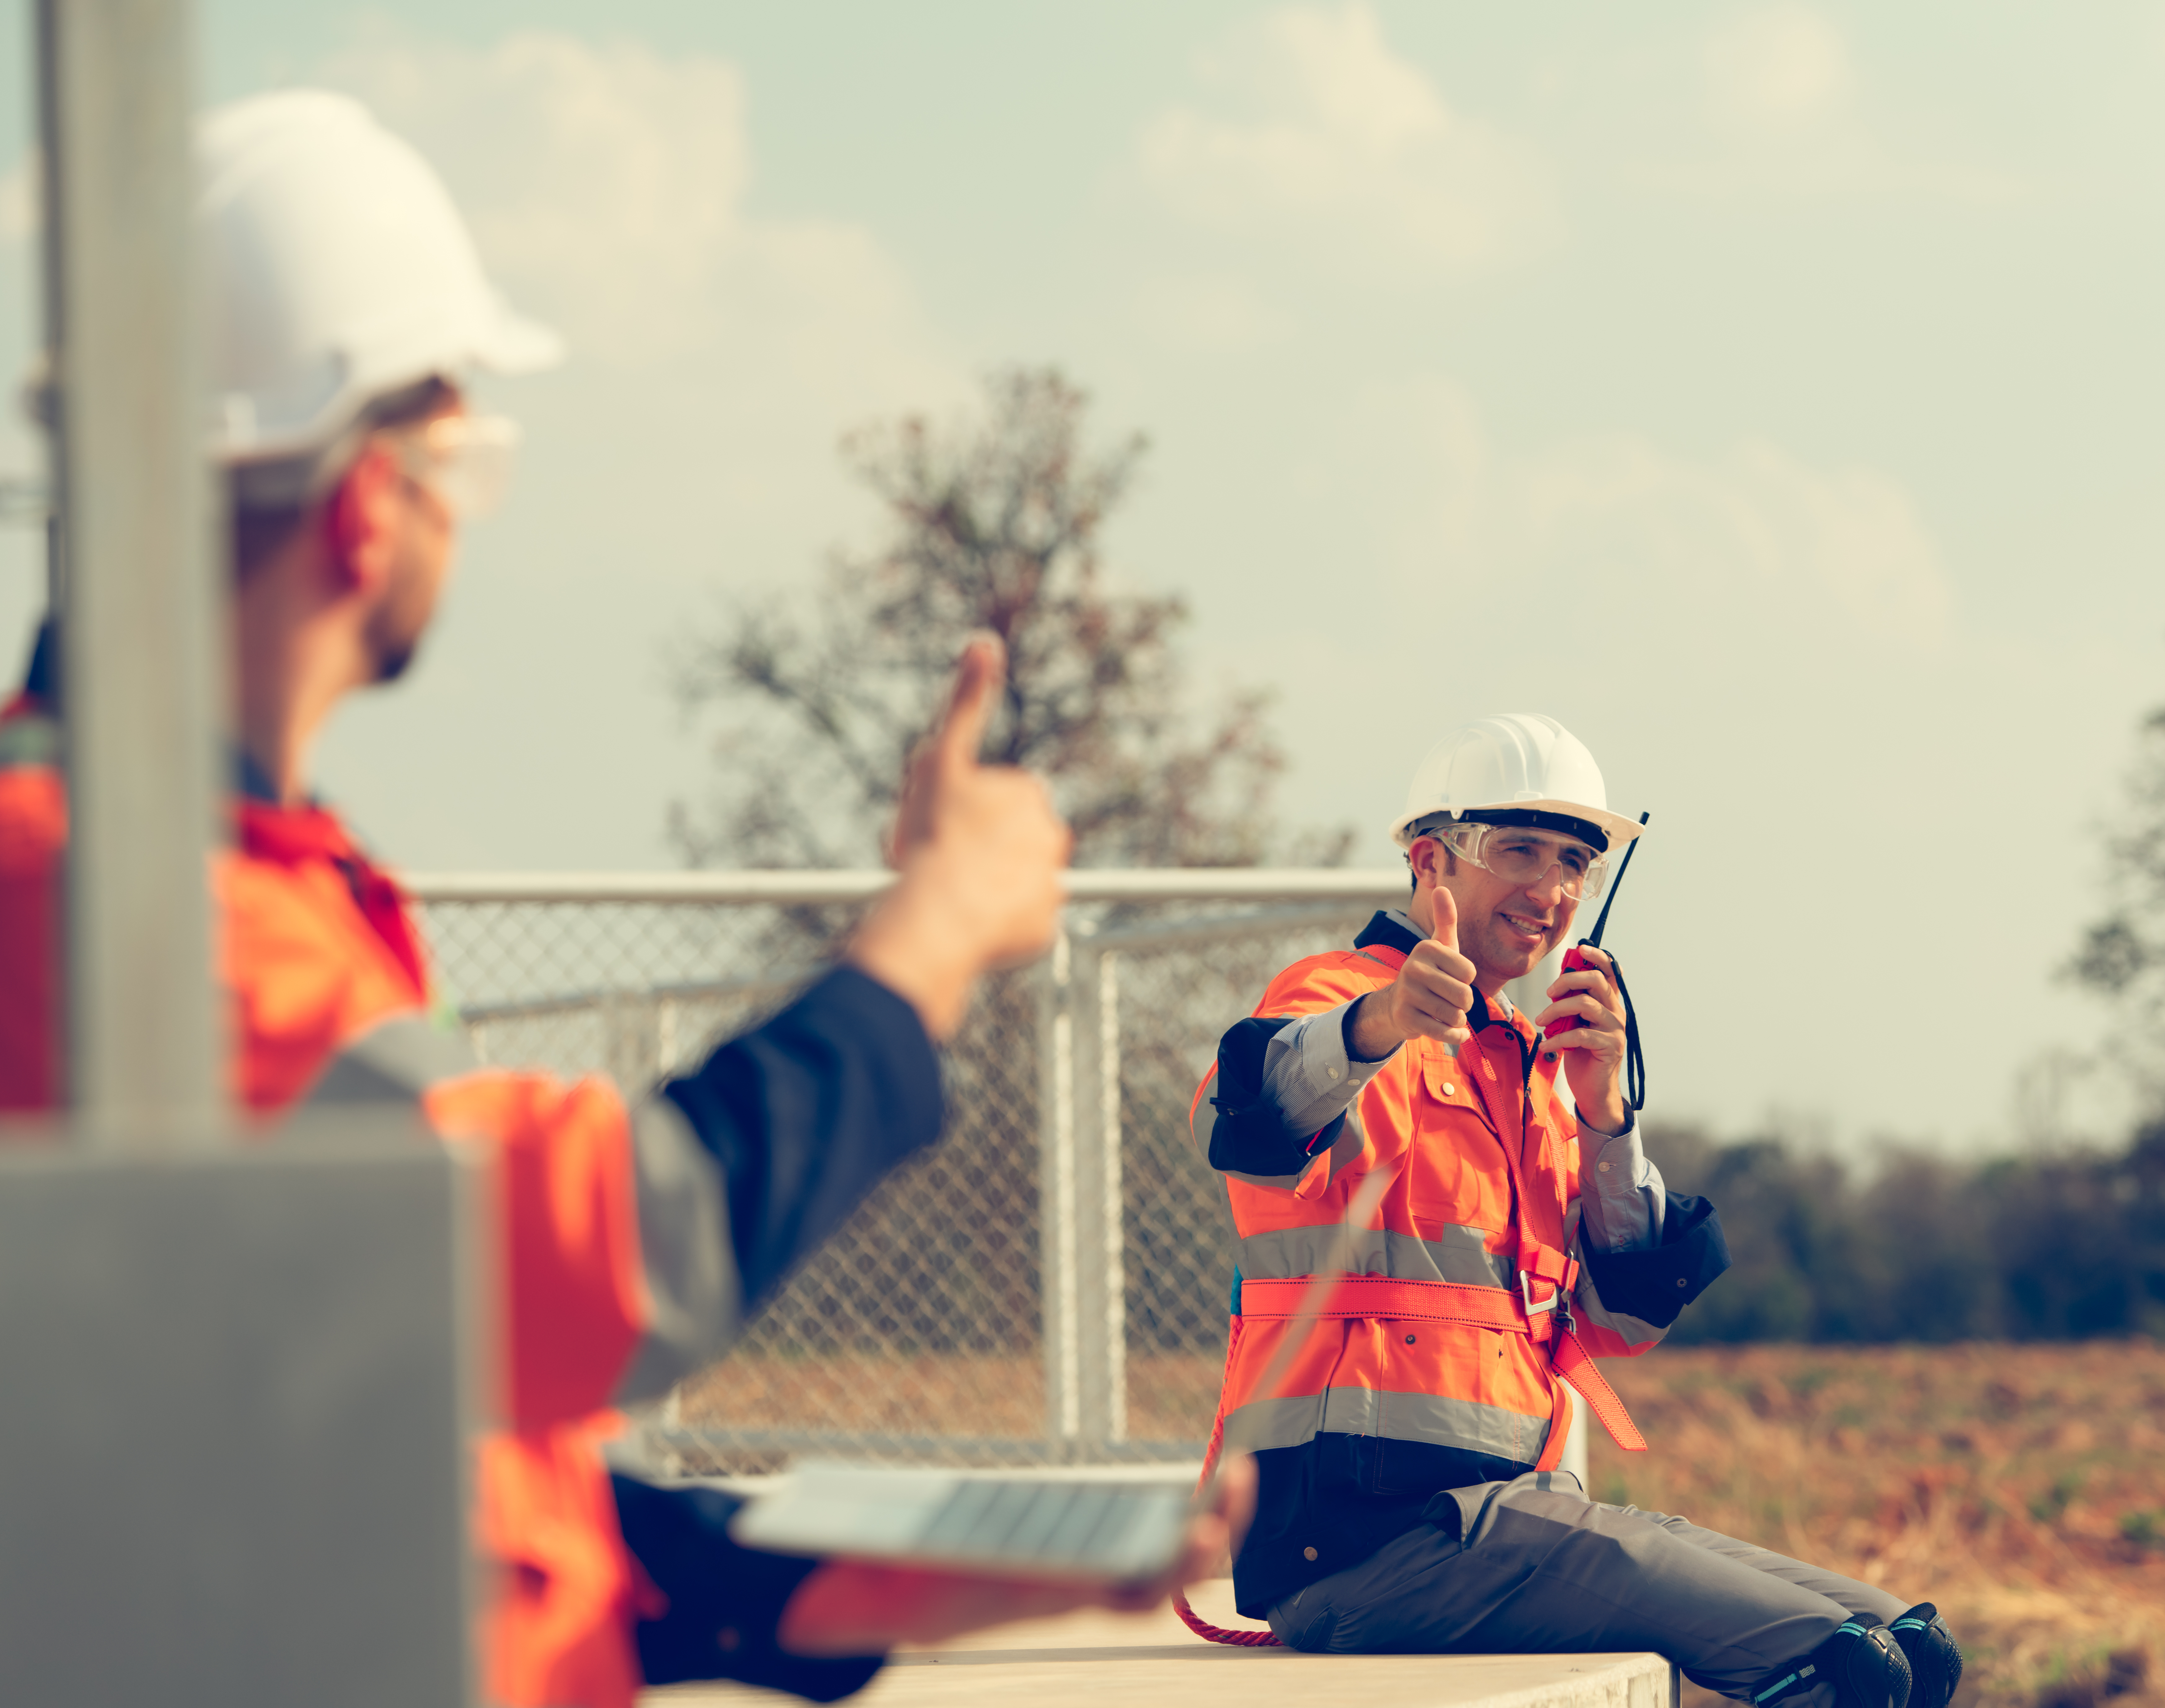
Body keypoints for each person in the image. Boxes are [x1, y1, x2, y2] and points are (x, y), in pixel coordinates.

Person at [0, 90, 1246, 1708]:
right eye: (464, 458)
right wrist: (933, 934)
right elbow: (620, 1250)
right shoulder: (110, 902)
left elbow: (443, 1454)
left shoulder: (197, 878)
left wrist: (897, 1573)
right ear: (370, 503)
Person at [1189, 712, 1963, 1708]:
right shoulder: (1338, 996)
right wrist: (1382, 1022)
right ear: (1430, 863)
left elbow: (1622, 1320)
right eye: (1519, 851)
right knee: (1843, 1664)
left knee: (1914, 1648)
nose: (1552, 892)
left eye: (1574, 864)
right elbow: (1241, 1112)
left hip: (1509, 1522)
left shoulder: (1530, 1071)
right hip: (1356, 1544)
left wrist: (1605, 1117)